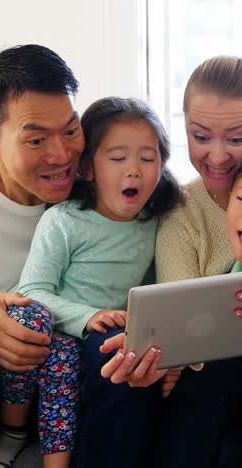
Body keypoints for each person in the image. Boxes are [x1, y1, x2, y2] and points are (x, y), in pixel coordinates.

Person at [0, 96, 181, 468]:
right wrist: (88, 316)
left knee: (124, 361)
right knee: (83, 353)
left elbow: (155, 292)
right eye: (119, 159)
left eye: (148, 159)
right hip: (58, 338)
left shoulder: (156, 224)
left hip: (108, 340)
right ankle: (19, 435)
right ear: (87, 168)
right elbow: (31, 292)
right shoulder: (65, 221)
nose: (134, 171)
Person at [100, 56, 242, 468]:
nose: (217, 156)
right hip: (216, 372)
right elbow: (180, 320)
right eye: (200, 136)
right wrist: (159, 358)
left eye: (236, 138)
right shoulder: (183, 210)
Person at [0, 43, 85, 462]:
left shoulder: (101, 186)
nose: (61, 156)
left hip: (73, 366)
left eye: (71, 130)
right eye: (36, 138)